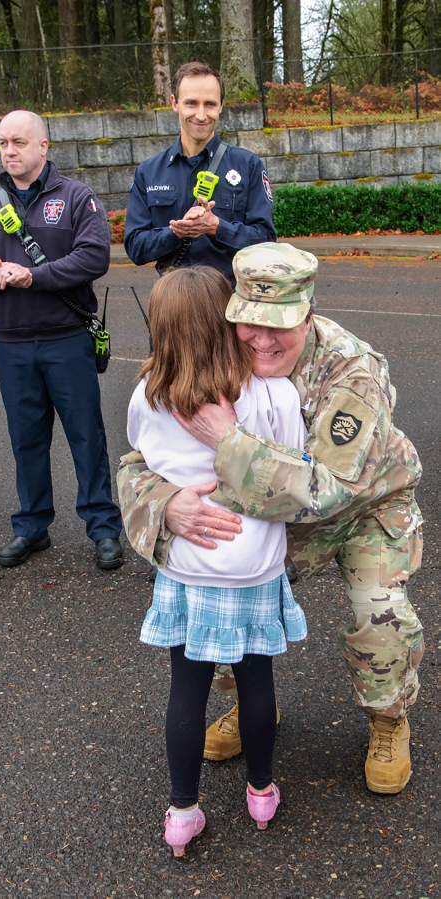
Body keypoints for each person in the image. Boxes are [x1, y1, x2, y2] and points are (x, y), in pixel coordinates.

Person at [118, 242, 424, 796]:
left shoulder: (352, 372)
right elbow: (143, 459)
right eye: (248, 323)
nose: (262, 341)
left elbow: (327, 492)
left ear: (307, 315)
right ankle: (255, 704)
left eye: (279, 326)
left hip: (363, 507)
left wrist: (226, 442)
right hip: (269, 517)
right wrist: (165, 504)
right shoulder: (221, 355)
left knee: (379, 615)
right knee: (218, 608)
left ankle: (388, 717)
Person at [126, 265, 307, 854]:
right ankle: (260, 791)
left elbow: (144, 461)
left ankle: (183, 811)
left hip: (187, 564)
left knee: (187, 688)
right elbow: (294, 471)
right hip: (254, 568)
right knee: (258, 683)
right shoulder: (273, 393)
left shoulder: (148, 395)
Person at [0, 110, 123, 570]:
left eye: (19, 142)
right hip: (12, 344)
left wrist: (35, 276)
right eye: (3, 143)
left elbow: (94, 257)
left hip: (67, 339)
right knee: (25, 439)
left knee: (86, 436)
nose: (9, 151)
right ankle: (31, 526)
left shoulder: (75, 197)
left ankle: (103, 528)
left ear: (43, 147)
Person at [124, 61, 276, 284]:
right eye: (192, 103)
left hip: (231, 305)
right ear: (175, 103)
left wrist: (217, 227)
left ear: (221, 105)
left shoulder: (248, 165)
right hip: (174, 306)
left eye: (210, 104)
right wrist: (175, 233)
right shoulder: (148, 172)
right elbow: (136, 248)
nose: (201, 115)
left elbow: (266, 241)